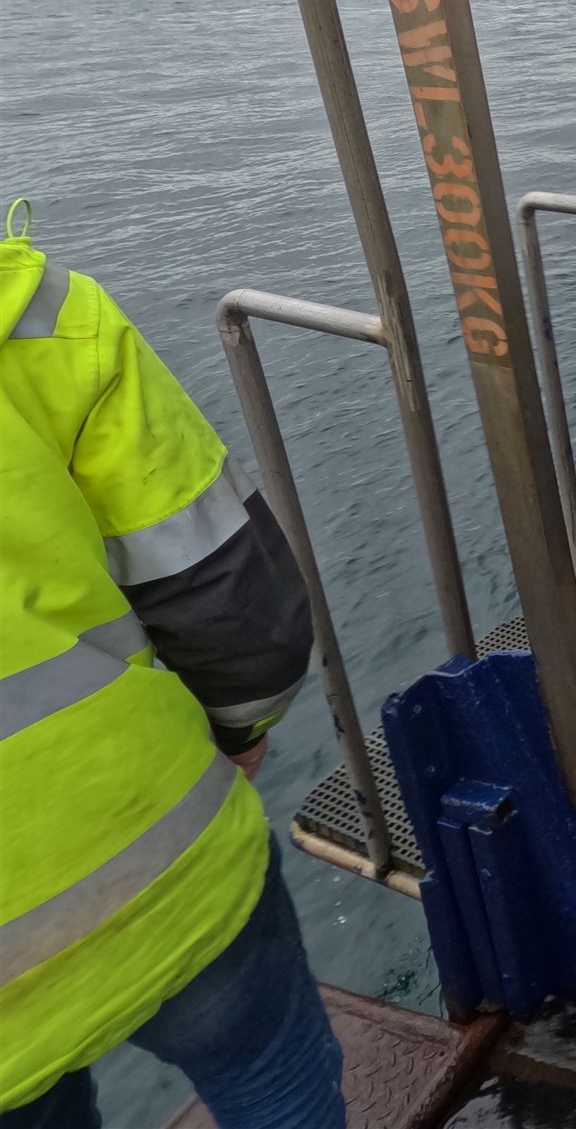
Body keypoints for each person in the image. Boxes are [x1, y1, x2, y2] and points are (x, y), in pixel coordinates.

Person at [0, 203, 346, 1129]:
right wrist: (239, 733)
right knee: (278, 1088)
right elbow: (231, 596)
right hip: (160, 853)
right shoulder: (41, 315)